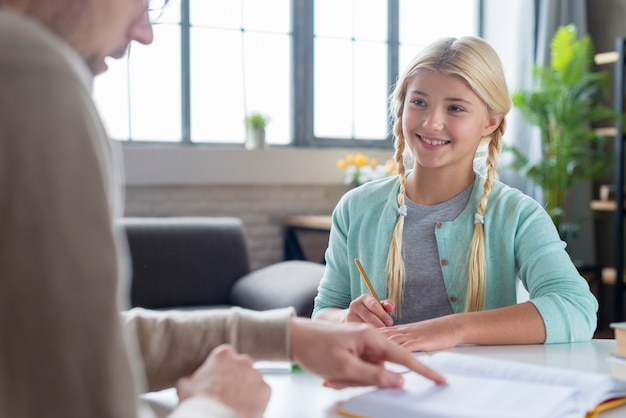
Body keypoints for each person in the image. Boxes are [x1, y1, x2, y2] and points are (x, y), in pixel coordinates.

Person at [0, 1, 445, 418]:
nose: (145, 31)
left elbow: (76, 344)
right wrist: (215, 405)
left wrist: (285, 337)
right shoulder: (32, 73)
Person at [312, 36, 599, 353]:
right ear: (401, 106)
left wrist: (454, 328)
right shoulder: (357, 208)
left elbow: (576, 308)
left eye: (456, 108)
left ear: (490, 122)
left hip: (478, 392)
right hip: (381, 385)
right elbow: (324, 312)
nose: (432, 122)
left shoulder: (518, 215)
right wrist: (346, 320)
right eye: (419, 102)